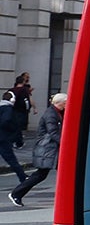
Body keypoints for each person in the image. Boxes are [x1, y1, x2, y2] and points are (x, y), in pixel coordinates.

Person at [16, 91, 64, 201]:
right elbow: (53, 132)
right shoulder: (51, 114)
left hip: (51, 148)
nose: (67, 105)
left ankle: (65, 197)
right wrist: (65, 143)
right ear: (60, 103)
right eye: (66, 103)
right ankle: (17, 193)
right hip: (47, 148)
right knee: (41, 174)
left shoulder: (58, 112)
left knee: (62, 173)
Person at [1, 74, 33, 205]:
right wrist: (10, 131)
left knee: (11, 159)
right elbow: (7, 121)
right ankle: (23, 177)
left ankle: (22, 176)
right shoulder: (8, 109)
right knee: (12, 159)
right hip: (3, 138)